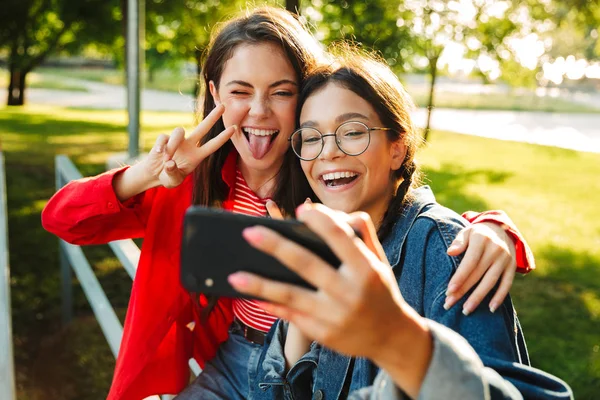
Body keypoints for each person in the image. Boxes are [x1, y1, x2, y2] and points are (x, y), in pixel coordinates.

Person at [42, 7, 533, 400]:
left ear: (304, 97)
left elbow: (399, 215)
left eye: (281, 93)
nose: (258, 111)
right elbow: (61, 218)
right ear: (214, 93)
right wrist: (148, 174)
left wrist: (491, 227)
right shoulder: (190, 182)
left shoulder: (318, 174)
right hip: (233, 358)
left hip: (314, 363)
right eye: (239, 92)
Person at [228, 50, 572, 399]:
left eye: (351, 131)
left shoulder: (449, 251)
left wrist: (398, 338)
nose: (328, 152)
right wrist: (299, 318)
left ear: (398, 148)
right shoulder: (327, 245)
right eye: (312, 137)